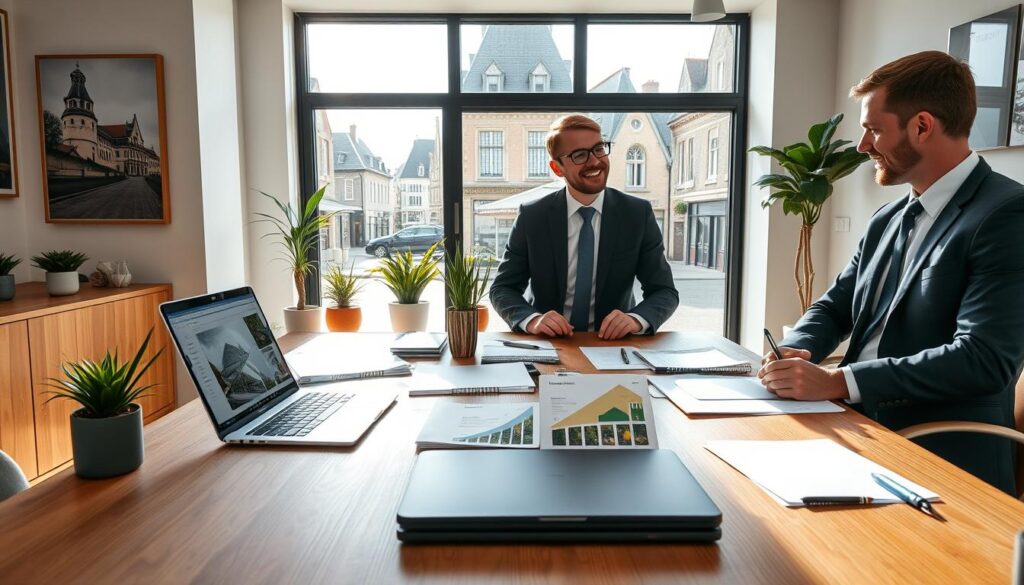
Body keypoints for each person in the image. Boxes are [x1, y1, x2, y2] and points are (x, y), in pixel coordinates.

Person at [758, 51, 1024, 494]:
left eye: (874, 130)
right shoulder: (889, 217)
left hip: (937, 457)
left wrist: (839, 381)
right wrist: (796, 350)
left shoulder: (1006, 214)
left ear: (922, 126)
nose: (863, 147)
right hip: (856, 430)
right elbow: (835, 304)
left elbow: (983, 358)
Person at [489, 114, 678, 340]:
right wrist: (533, 320)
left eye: (598, 149)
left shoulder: (637, 214)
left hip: (613, 346)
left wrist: (635, 320)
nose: (595, 161)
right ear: (557, 168)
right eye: (580, 155)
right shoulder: (533, 217)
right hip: (548, 344)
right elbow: (503, 288)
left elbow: (664, 291)